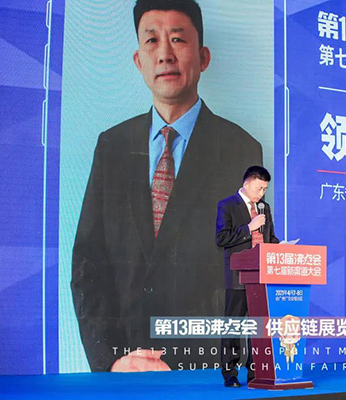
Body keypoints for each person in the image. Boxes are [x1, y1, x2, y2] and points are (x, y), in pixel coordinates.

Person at [71, 0, 262, 372]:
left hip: (204, 371)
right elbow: (87, 265)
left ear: (203, 57)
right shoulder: (111, 146)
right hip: (126, 370)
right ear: (138, 61)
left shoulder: (241, 150)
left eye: (178, 39)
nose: (164, 54)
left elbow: (244, 273)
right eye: (151, 41)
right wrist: (111, 361)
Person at [215, 165, 280, 387]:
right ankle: (230, 372)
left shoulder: (264, 208)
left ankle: (255, 371)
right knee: (233, 325)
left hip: (262, 277)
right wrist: (248, 228)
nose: (262, 193)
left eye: (265, 189)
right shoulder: (227, 205)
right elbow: (221, 238)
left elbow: (270, 238)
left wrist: (281, 247)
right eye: (259, 188)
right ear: (247, 183)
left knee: (258, 328)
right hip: (238, 276)